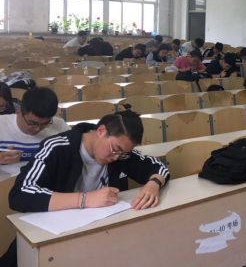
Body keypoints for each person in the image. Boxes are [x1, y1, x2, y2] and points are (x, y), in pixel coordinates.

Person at [3, 110, 169, 265]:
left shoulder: (122, 155)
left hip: (98, 238)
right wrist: (85, 199)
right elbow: (19, 193)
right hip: (50, 240)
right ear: (100, 131)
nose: (115, 158)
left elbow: (159, 167)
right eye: (115, 150)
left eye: (123, 154)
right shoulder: (56, 147)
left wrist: (153, 184)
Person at [0, 88, 70, 165]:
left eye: (45, 123)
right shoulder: (2, 124)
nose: (38, 129)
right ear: (18, 112)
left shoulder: (59, 126)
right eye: (32, 123)